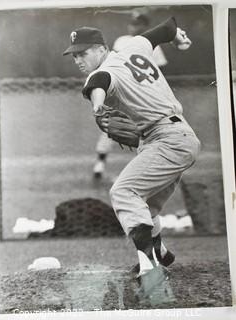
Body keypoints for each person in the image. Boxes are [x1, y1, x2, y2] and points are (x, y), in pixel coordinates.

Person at [63, 17, 200, 277]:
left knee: (124, 192)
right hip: (178, 137)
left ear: (102, 49)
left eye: (83, 52)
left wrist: (97, 106)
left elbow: (98, 82)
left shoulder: (103, 71)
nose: (78, 59)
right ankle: (160, 252)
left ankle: (150, 267)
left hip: (167, 140)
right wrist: (179, 36)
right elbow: (166, 28)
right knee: (144, 206)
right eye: (74, 55)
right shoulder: (134, 47)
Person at [93, 10, 168, 179]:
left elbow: (161, 72)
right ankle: (100, 163)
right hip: (122, 92)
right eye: (132, 23)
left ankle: (147, 168)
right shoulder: (122, 41)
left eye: (138, 24)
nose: (133, 27)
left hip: (143, 97)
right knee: (110, 126)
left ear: (145, 26)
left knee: (147, 130)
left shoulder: (152, 45)